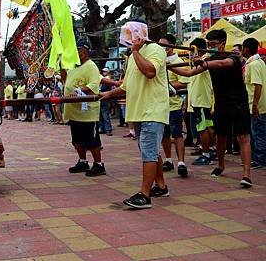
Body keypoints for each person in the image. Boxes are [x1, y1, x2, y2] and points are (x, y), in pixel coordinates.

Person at [170, 29, 252, 187]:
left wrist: (205, 63)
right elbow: (188, 74)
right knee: (221, 137)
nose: (210, 47)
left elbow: (223, 63)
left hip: (239, 103)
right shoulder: (209, 59)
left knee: (243, 138)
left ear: (222, 43)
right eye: (208, 44)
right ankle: (220, 165)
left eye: (212, 44)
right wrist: (167, 66)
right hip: (221, 104)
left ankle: (246, 174)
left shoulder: (233, 57)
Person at [101, 23, 170, 209]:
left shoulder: (155, 49)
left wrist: (136, 51)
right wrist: (108, 94)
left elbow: (150, 72)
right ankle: (161, 186)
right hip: (139, 111)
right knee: (150, 150)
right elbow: (126, 86)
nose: (126, 38)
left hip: (152, 109)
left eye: (130, 34)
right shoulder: (132, 56)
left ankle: (144, 195)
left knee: (148, 151)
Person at [65, 39, 106, 177]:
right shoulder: (73, 66)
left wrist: (78, 91)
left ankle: (98, 164)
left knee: (91, 139)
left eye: (80, 50)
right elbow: (65, 81)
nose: (78, 53)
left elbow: (93, 84)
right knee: (76, 138)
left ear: (86, 51)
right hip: (74, 110)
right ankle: (82, 161)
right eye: (76, 50)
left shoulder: (91, 66)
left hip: (87, 110)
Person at [160, 34, 190, 177]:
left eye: (164, 45)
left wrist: (167, 87)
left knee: (177, 134)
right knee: (164, 135)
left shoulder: (178, 61)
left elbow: (184, 82)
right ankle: (168, 160)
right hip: (160, 105)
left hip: (174, 105)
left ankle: (181, 162)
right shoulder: (158, 60)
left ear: (172, 46)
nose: (161, 48)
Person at [187, 38, 215, 166]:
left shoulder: (205, 61)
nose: (191, 54)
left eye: (192, 51)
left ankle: (206, 154)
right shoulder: (200, 62)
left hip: (202, 100)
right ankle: (212, 149)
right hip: (199, 100)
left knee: (202, 128)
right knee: (207, 126)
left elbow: (188, 74)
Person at [242, 38, 266, 169]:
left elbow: (258, 85)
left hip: (257, 106)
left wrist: (255, 105)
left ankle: (260, 160)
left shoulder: (253, 64)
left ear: (246, 49)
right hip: (259, 104)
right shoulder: (259, 62)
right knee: (259, 132)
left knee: (258, 134)